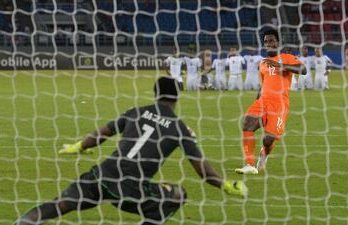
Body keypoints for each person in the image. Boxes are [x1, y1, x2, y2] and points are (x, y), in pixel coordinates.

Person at [14, 77, 247, 225]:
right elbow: (202, 169)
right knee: (178, 195)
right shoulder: (179, 128)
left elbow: (102, 133)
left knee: (60, 205)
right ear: (176, 97)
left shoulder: (135, 111)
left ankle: (24, 222)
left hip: (102, 175)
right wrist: (226, 185)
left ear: (156, 94)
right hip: (131, 188)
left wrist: (78, 146)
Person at [235, 29, 306, 174]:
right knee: (247, 124)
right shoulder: (263, 63)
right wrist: (256, 102)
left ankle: (264, 155)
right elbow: (263, 84)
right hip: (263, 101)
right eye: (266, 41)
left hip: (279, 104)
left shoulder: (287, 57)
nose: (268, 44)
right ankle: (250, 165)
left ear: (278, 42)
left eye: (271, 41)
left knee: (268, 140)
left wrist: (281, 66)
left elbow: (303, 69)